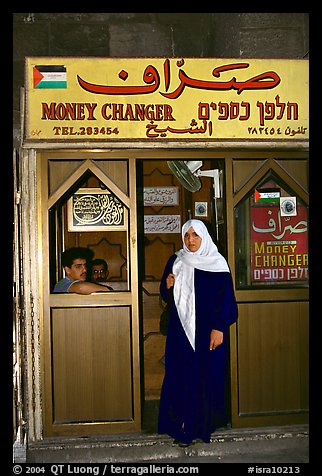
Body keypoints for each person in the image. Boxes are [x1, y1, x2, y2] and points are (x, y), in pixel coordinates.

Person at [158, 219, 238, 446]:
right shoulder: (176, 260)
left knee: (204, 374)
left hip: (207, 330)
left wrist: (219, 327)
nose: (190, 240)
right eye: (186, 235)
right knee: (180, 373)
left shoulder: (216, 262)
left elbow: (226, 300)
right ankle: (180, 424)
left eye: (195, 235)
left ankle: (199, 425)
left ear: (204, 237)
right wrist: (167, 285)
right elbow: (165, 295)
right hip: (180, 330)